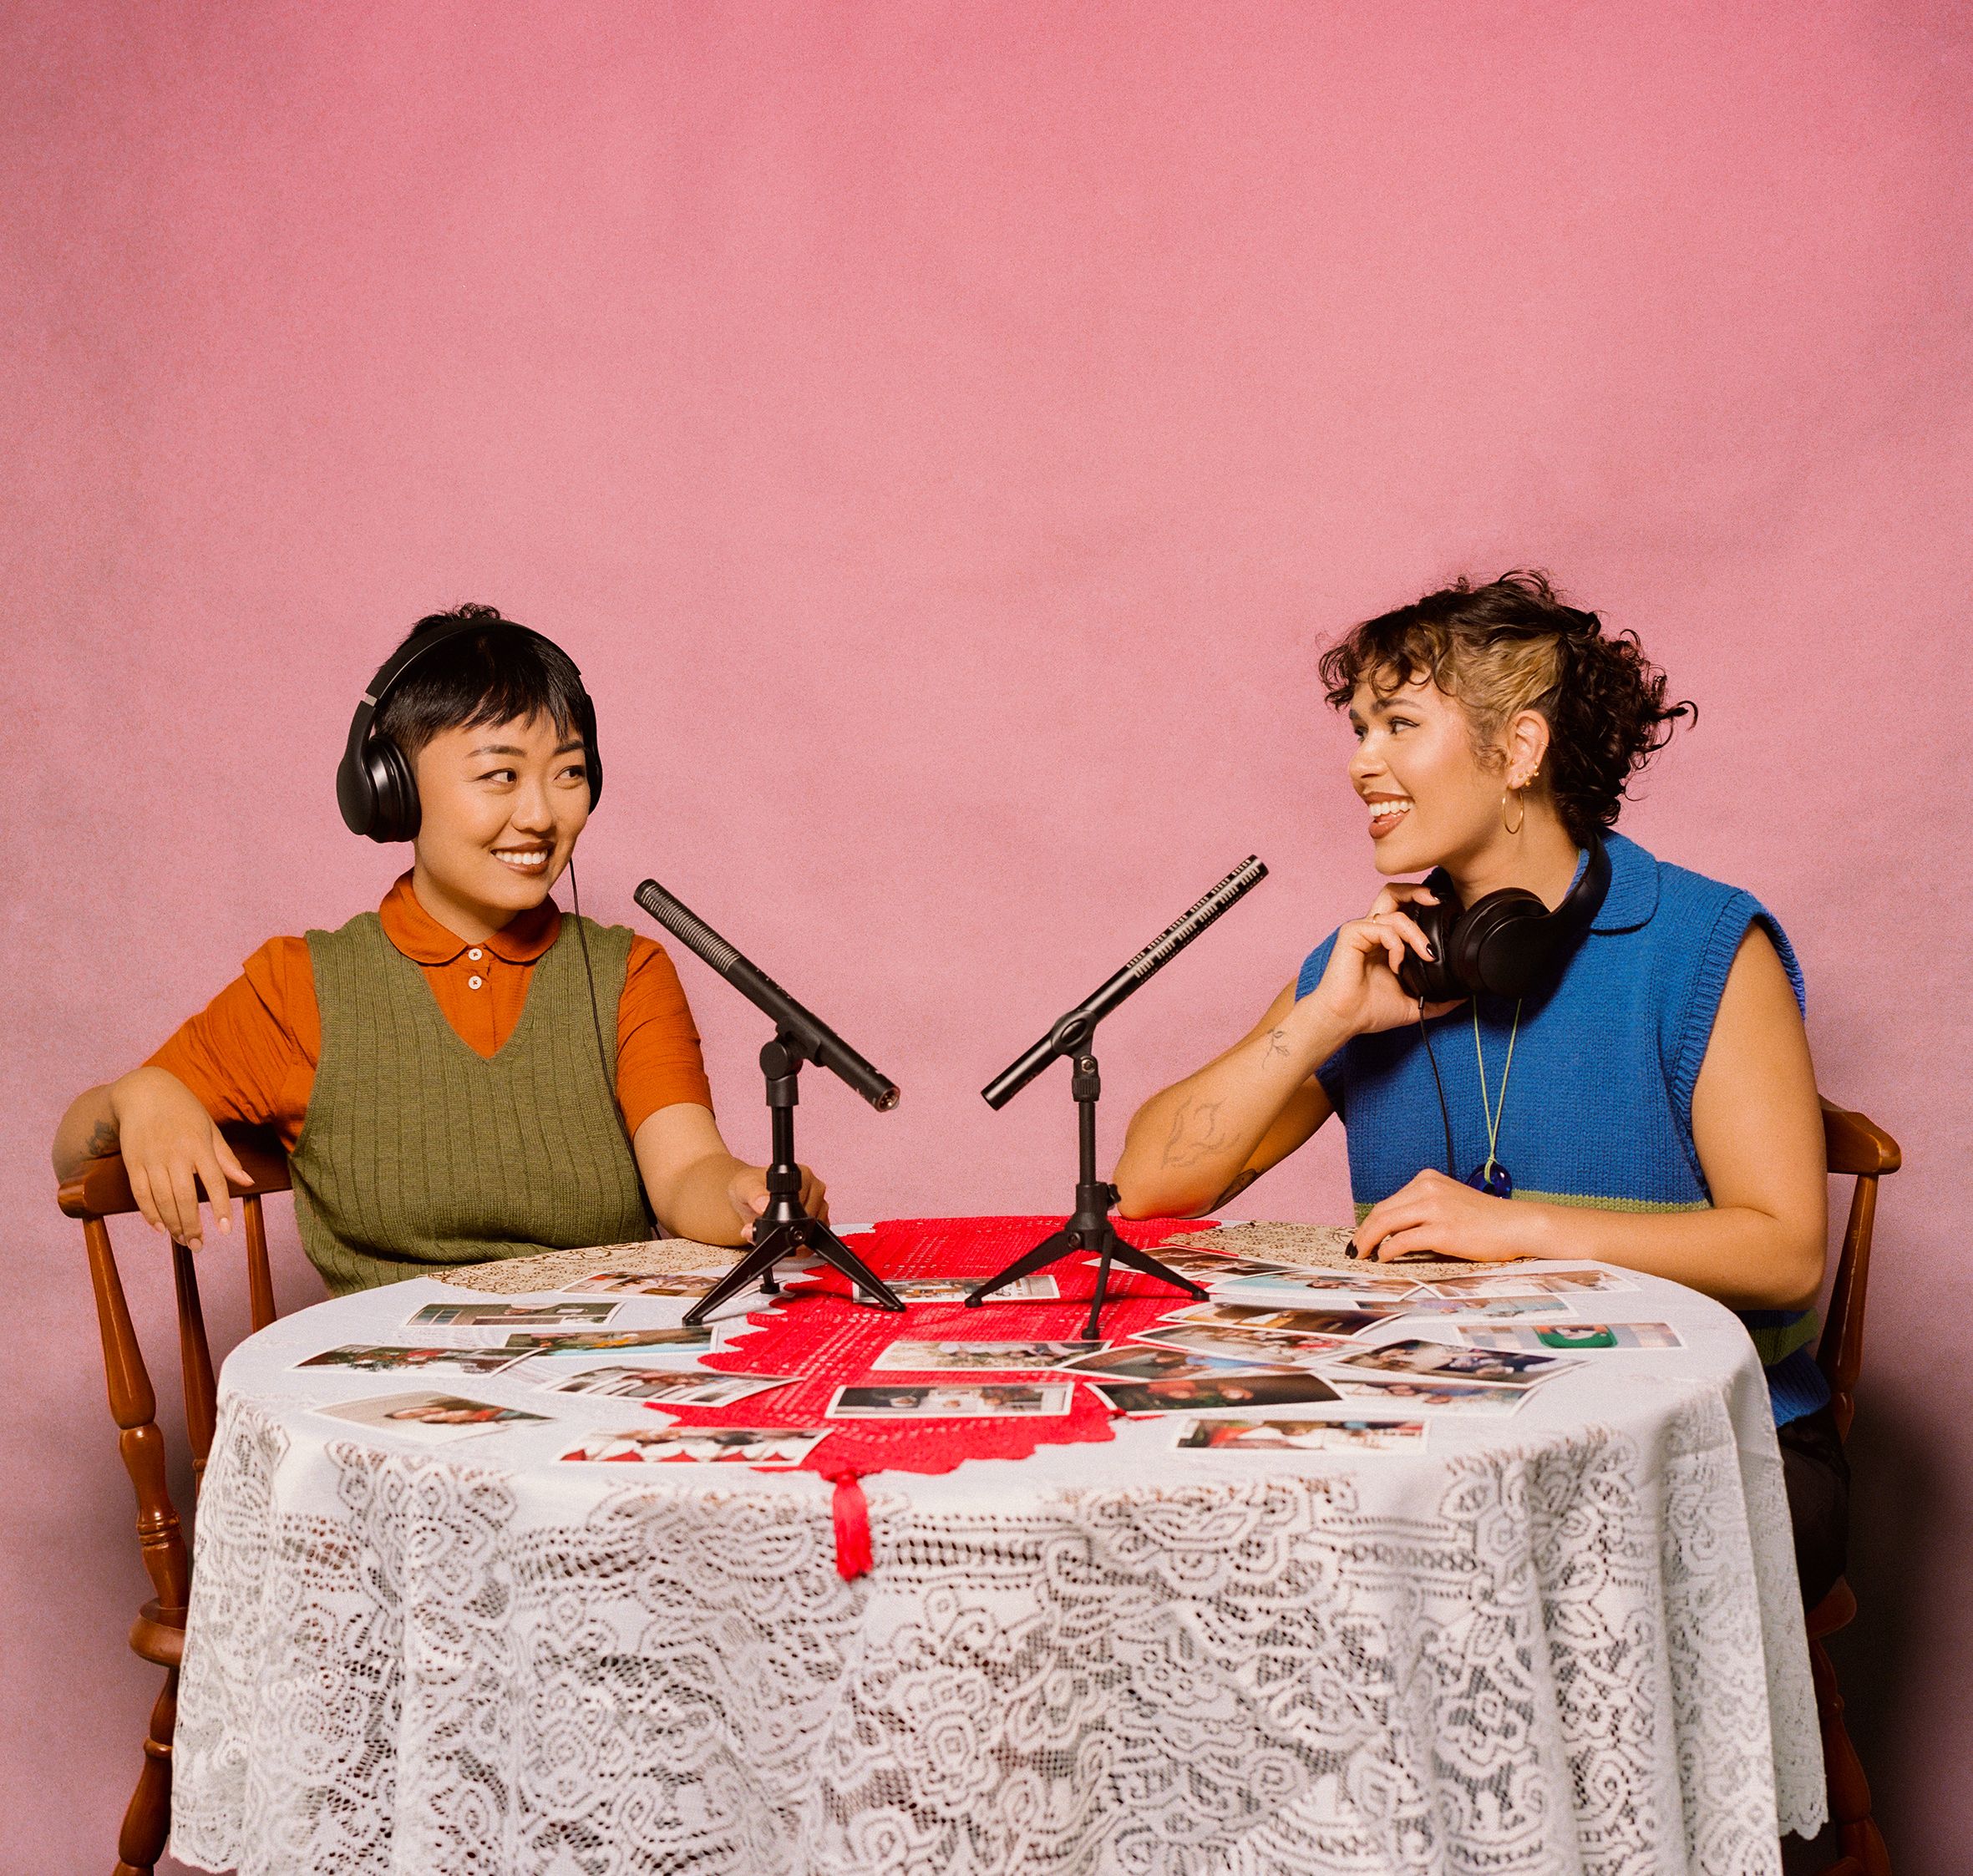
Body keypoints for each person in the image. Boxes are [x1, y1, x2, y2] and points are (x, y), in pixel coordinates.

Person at [1113, 571, 1846, 1605]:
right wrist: (1320, 1019)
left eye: (1399, 725)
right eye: (1359, 729)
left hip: (1712, 1444)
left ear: (1519, 749)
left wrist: (1517, 1230)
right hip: (1450, 1442)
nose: (1360, 761)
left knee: (1460, 1571)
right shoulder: (1381, 959)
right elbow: (1146, 1187)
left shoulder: (1701, 943)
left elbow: (1784, 1251)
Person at [52, 604, 827, 1292]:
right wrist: (137, 1095)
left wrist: (746, 1194)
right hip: (391, 1388)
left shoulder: (628, 972)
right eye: (500, 775)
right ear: (392, 790)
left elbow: (685, 1171)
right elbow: (69, 1159)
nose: (541, 815)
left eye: (568, 773)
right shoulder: (303, 986)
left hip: (596, 1365)